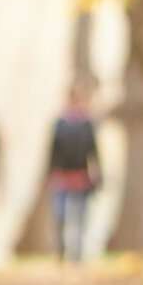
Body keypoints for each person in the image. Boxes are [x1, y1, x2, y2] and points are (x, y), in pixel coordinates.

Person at [46, 84, 101, 262]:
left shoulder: (87, 125)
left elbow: (94, 152)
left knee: (79, 219)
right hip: (62, 177)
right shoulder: (60, 124)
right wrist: (50, 173)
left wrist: (98, 176)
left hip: (81, 177)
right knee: (61, 217)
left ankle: (77, 254)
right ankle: (62, 251)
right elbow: (52, 151)